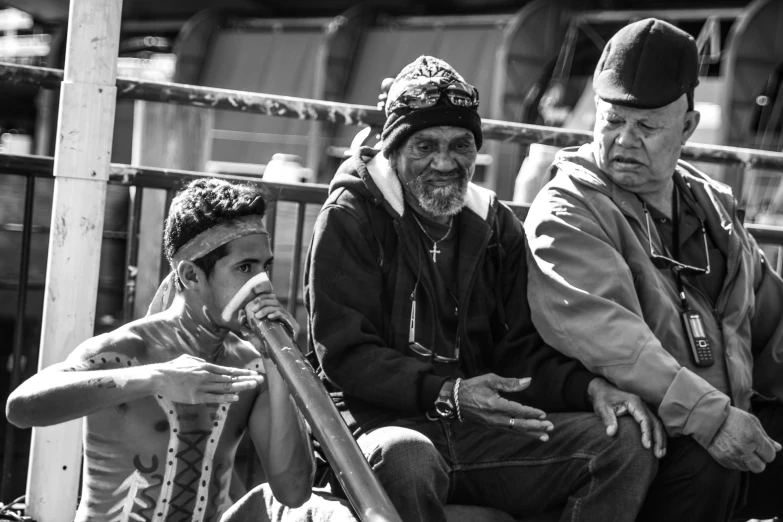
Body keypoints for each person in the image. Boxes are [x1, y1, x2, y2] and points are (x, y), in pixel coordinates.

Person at [304, 55, 663, 522]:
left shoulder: (496, 227)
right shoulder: (350, 215)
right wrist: (447, 393)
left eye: (461, 145)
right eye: (425, 145)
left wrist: (591, 389)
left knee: (624, 443)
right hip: (379, 429)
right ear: (392, 150)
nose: (444, 162)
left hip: (477, 431)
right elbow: (345, 356)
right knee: (407, 457)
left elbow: (521, 352)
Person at [523, 18, 783, 522]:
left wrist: (725, 416)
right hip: (646, 435)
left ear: (687, 127)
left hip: (721, 413)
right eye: (611, 121)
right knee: (712, 463)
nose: (623, 140)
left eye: (646, 127)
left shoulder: (710, 205)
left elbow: (771, 316)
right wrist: (712, 418)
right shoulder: (568, 210)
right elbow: (618, 344)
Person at [6, 178, 314, 522]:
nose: (262, 285)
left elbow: (294, 492)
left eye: (263, 267)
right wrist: (156, 379)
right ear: (192, 275)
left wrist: (279, 364)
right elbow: (21, 408)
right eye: (245, 268)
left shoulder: (252, 369)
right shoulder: (126, 352)